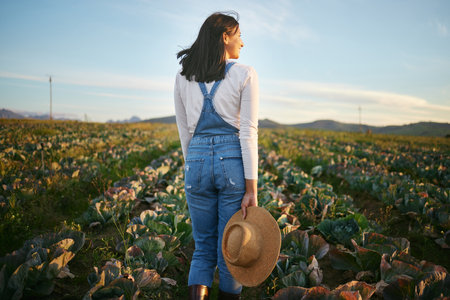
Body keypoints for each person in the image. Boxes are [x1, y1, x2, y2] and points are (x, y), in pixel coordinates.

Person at [174, 11, 259, 300]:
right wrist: (251, 189)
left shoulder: (183, 76)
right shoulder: (245, 74)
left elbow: (185, 133)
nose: (242, 43)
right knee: (231, 248)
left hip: (195, 160)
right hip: (232, 164)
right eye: (238, 36)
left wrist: (194, 165)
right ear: (225, 37)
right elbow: (248, 133)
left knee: (203, 247)